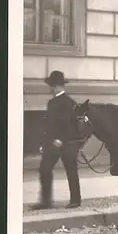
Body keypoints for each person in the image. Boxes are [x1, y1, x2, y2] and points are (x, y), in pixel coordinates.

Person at [30, 71, 82, 210]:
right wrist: (43, 143)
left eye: (51, 86)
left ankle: (75, 200)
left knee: (71, 171)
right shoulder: (55, 102)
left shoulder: (67, 102)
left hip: (66, 144)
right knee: (44, 169)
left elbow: (67, 124)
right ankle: (46, 201)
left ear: (55, 86)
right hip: (52, 144)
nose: (50, 89)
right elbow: (49, 125)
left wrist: (60, 139)